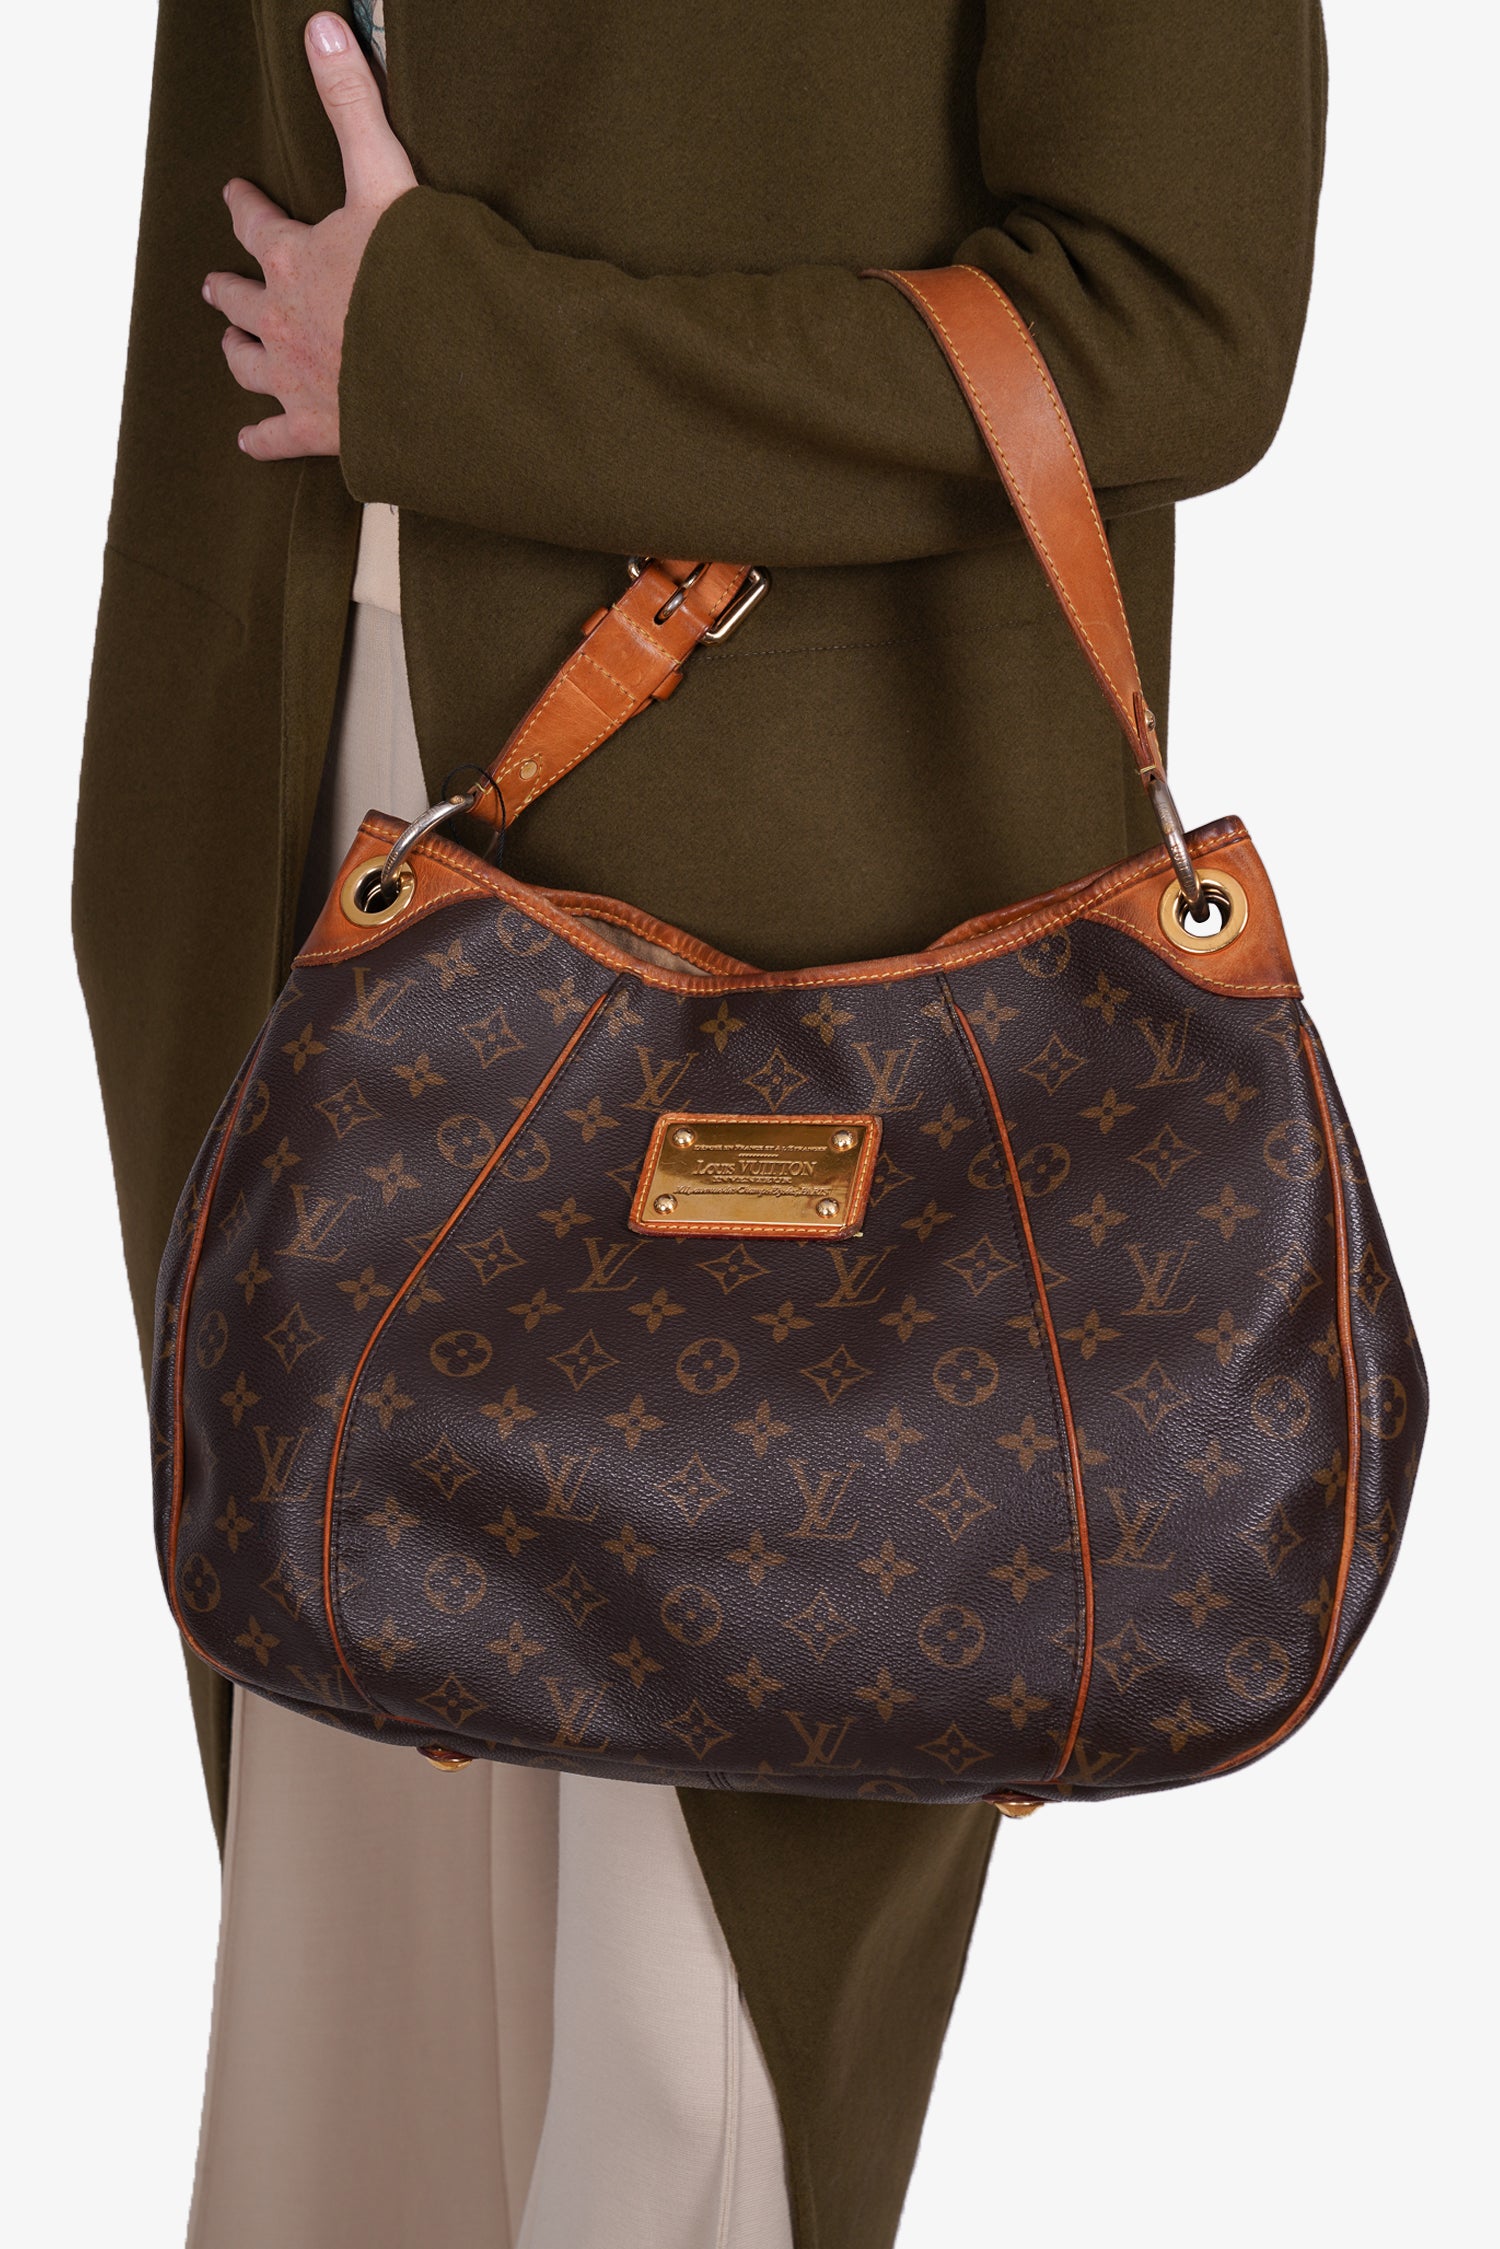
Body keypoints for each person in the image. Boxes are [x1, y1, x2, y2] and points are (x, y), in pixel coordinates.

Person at [75, 6, 1327, 2243]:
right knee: (354, 2044)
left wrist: (468, 362)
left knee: (692, 2064)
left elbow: (1174, 315)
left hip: (808, 896)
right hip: (309, 788)